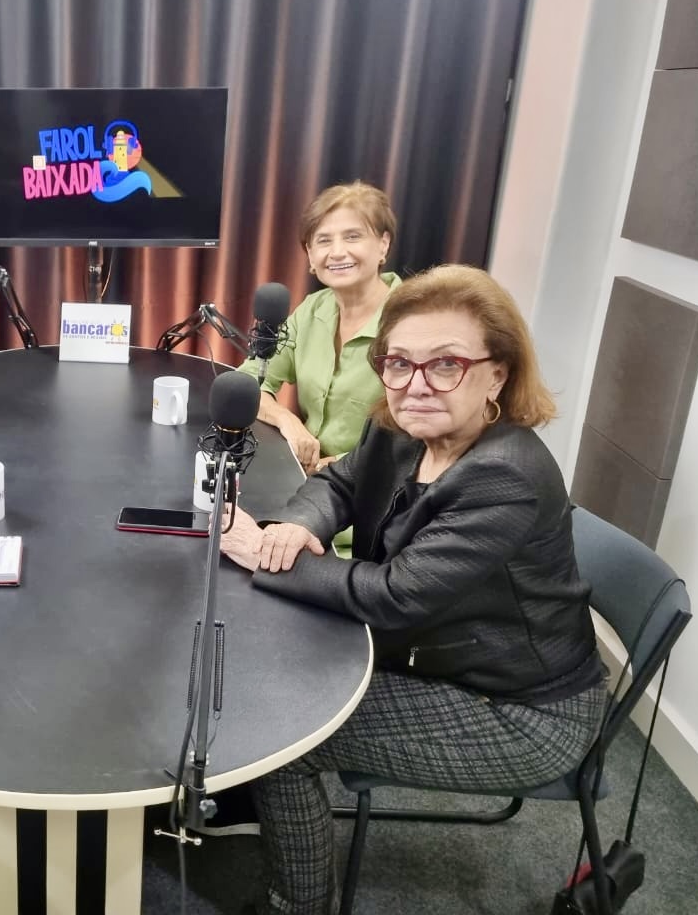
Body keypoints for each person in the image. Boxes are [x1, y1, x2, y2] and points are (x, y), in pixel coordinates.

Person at [220, 265, 607, 915]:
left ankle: (299, 903)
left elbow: (394, 596)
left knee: (282, 740)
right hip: (435, 654)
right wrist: (294, 527)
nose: (415, 384)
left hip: (517, 710)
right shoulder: (400, 424)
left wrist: (260, 552)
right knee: (269, 668)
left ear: (497, 374)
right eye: (398, 363)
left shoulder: (506, 476)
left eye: (446, 364)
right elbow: (339, 483)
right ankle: (243, 803)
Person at [238, 181, 400, 476]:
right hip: (308, 476)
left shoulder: (412, 317)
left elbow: (416, 433)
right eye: (323, 240)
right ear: (311, 255)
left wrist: (334, 467)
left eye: (352, 236)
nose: (337, 252)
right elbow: (249, 381)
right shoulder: (313, 308)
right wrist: (286, 420)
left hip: (376, 483)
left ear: (383, 244)